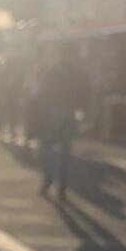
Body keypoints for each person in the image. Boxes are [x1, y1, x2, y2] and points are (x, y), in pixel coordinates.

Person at [37, 46, 91, 201]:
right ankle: (62, 188)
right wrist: (81, 110)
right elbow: (87, 93)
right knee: (66, 151)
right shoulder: (78, 74)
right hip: (72, 113)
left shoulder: (53, 72)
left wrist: (43, 112)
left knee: (46, 148)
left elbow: (43, 93)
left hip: (55, 112)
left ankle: (48, 179)